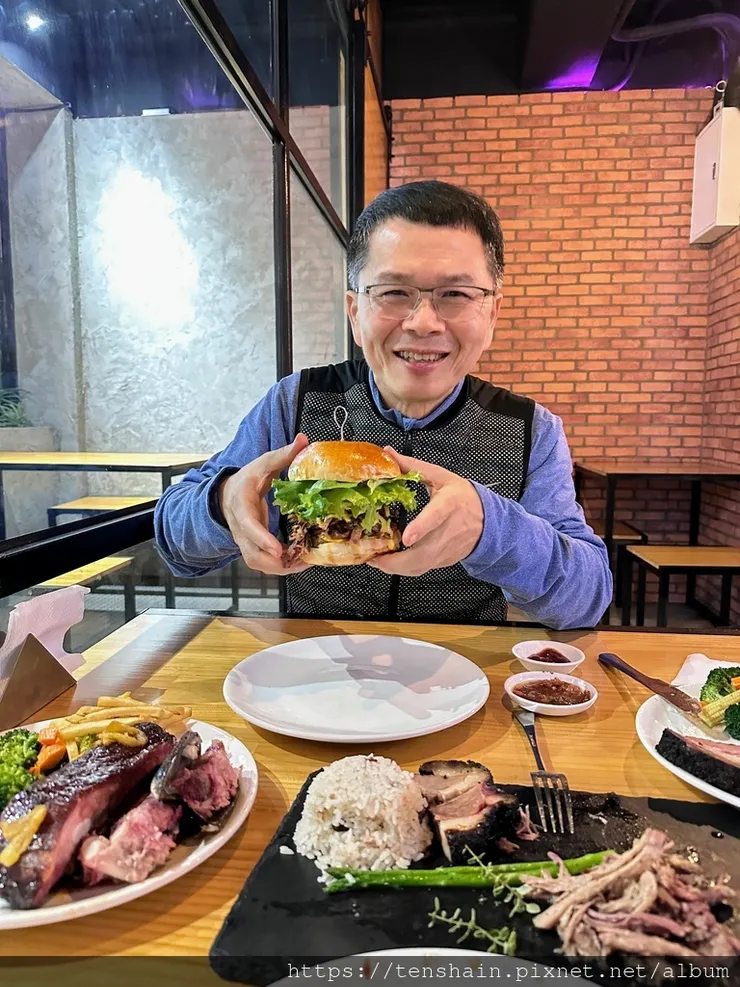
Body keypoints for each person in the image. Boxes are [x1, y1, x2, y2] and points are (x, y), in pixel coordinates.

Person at [155, 180, 611, 629]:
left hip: (460, 678)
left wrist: (493, 531)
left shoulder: (531, 429)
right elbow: (175, 541)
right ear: (355, 312)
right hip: (309, 670)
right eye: (394, 293)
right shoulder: (294, 403)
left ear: (491, 314)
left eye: (456, 294)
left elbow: (587, 600)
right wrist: (222, 501)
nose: (424, 323)